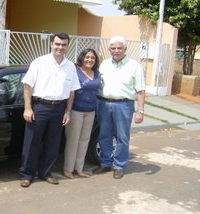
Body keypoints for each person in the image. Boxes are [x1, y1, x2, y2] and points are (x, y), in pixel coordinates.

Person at [19, 32, 81, 187]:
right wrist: (28, 108)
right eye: (57, 44)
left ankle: (46, 173)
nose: (60, 47)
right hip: (39, 107)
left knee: (53, 143)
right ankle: (27, 175)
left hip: (59, 108)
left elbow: (72, 91)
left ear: (68, 46)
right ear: (51, 44)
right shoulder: (39, 62)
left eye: (64, 45)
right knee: (32, 142)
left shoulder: (70, 67)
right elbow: (27, 86)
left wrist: (68, 111)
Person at [93, 35, 146, 179]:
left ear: (125, 49)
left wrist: (140, 111)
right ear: (109, 49)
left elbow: (140, 90)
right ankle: (105, 163)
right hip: (103, 104)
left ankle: (119, 165)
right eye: (113, 48)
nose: (116, 50)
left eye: (119, 48)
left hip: (124, 105)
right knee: (104, 135)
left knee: (122, 137)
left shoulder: (134, 66)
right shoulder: (104, 64)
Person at [63, 48, 101, 179]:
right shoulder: (75, 71)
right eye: (87, 57)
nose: (89, 60)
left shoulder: (96, 73)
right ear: (82, 58)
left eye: (92, 58)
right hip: (76, 111)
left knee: (84, 140)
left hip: (91, 111)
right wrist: (67, 111)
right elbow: (69, 90)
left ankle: (79, 168)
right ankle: (68, 168)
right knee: (73, 140)